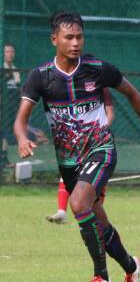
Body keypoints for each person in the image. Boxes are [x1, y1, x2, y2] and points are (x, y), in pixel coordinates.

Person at [15, 11, 140, 282]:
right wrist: (22, 138)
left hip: (100, 149)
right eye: (69, 37)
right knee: (97, 221)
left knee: (78, 203)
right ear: (54, 39)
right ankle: (132, 267)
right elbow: (20, 120)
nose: (75, 43)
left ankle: (102, 276)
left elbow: (133, 94)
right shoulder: (41, 76)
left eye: (79, 37)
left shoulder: (97, 68)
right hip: (69, 161)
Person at [47, 88, 114, 223]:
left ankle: (96, 213)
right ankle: (61, 211)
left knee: (98, 180)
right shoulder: (69, 90)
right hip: (76, 142)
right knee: (68, 175)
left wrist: (102, 129)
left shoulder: (101, 87)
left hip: (97, 143)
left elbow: (110, 112)